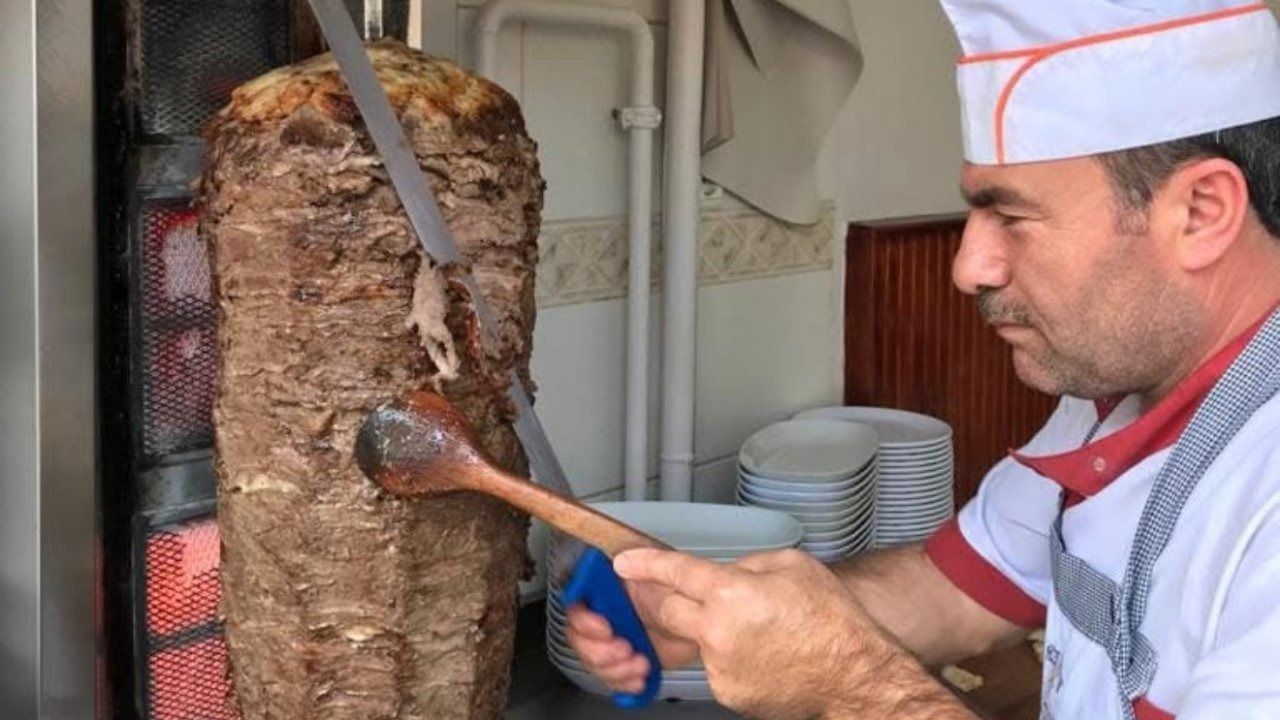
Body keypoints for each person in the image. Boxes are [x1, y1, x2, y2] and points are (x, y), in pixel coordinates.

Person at [566, 2, 1280, 718]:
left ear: (1201, 212)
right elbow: (960, 588)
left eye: (1013, 216)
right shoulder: (1116, 394)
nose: (969, 267)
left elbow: (860, 672)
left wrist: (848, 682)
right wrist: (728, 614)